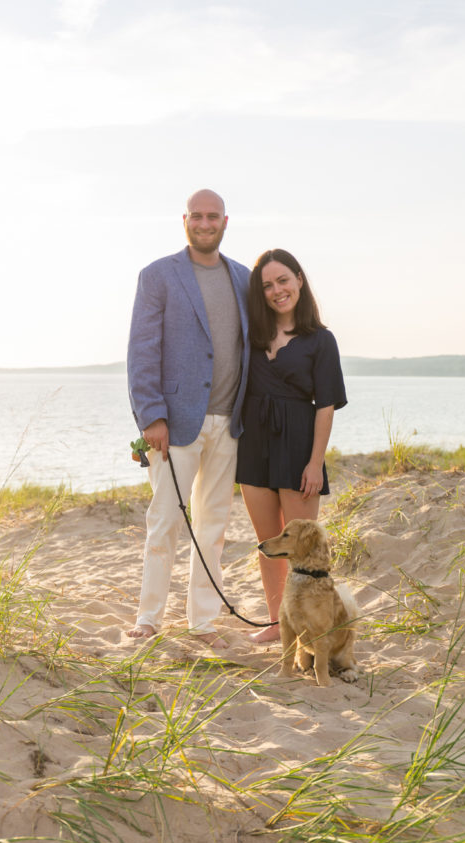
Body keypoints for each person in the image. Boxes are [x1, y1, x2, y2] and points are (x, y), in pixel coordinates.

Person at [126, 189, 250, 648]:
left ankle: (202, 622)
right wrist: (151, 416)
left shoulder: (244, 277)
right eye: (196, 216)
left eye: (212, 216)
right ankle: (148, 618)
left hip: (229, 423)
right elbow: (142, 351)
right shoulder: (158, 275)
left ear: (224, 221)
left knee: (213, 527)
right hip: (174, 424)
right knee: (164, 523)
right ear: (185, 220)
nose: (204, 223)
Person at [236, 249, 347, 643]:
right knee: (269, 544)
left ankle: (314, 628)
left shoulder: (320, 340)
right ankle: (275, 623)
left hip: (299, 448)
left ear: (299, 279)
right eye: (267, 285)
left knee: (303, 551)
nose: (277, 290)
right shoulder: (251, 336)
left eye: (283, 280)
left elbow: (326, 407)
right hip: (254, 447)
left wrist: (315, 463)